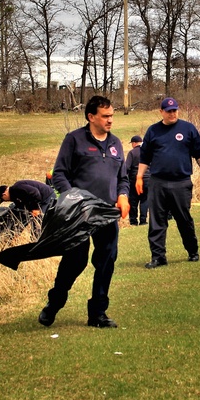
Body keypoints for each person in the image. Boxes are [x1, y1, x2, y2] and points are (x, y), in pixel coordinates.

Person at [41, 95, 130, 328]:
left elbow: (123, 177)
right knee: (75, 261)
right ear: (91, 117)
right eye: (105, 116)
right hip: (79, 214)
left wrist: (123, 195)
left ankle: (98, 314)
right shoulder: (74, 140)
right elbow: (59, 174)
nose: (110, 120)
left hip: (105, 213)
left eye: (112, 115)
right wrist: (74, 200)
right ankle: (54, 304)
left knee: (106, 261)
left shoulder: (116, 143)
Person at [136, 97, 200, 269]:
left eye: (175, 110)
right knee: (157, 221)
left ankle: (193, 251)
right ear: (161, 112)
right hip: (158, 182)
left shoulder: (188, 128)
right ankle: (158, 257)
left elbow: (199, 152)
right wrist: (139, 177)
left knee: (184, 219)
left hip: (181, 182)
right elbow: (145, 157)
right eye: (169, 111)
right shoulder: (153, 131)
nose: (172, 113)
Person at [125, 135, 149, 225]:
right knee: (145, 200)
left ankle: (133, 221)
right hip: (147, 180)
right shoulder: (148, 152)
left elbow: (127, 167)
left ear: (134, 143)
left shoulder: (132, 153)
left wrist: (124, 178)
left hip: (134, 180)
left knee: (133, 201)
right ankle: (143, 220)